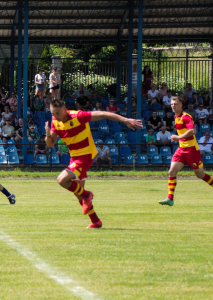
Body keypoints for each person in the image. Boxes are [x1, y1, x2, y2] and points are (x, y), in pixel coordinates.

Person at [44, 99, 142, 228]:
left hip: (86, 156)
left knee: (62, 180)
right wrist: (47, 132)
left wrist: (125, 120)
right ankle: (95, 221)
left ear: (64, 110)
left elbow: (104, 114)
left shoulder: (78, 116)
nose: (55, 116)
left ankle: (87, 195)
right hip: (74, 157)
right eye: (52, 113)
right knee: (78, 193)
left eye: (57, 113)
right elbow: (50, 144)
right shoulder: (55, 121)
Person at [159, 96, 213, 206]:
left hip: (191, 150)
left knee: (200, 175)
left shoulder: (186, 117)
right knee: (172, 172)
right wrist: (180, 140)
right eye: (172, 104)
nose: (173, 105)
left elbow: (193, 131)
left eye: (175, 104)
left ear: (181, 105)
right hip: (181, 149)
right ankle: (170, 199)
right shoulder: (176, 117)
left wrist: (178, 137)